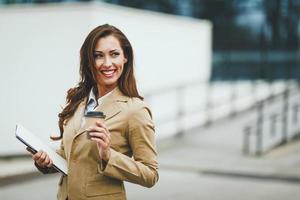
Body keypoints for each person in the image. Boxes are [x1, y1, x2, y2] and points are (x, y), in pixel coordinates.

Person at [29, 24, 159, 200]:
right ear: (89, 62)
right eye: (98, 56)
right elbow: (70, 156)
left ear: (125, 57)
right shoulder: (79, 101)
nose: (107, 63)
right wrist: (45, 162)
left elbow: (150, 174)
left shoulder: (135, 110)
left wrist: (108, 155)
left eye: (114, 54)